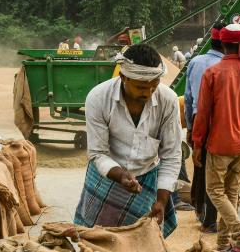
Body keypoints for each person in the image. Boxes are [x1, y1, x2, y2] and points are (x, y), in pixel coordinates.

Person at [74, 44, 181, 237]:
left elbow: (171, 154)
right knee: (97, 241)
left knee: (142, 244)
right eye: (141, 86)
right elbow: (98, 153)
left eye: (153, 86)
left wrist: (161, 200)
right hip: (106, 175)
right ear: (123, 77)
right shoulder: (98, 98)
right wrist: (121, 175)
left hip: (147, 176)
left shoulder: (168, 100)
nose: (147, 93)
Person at [192, 23, 240, 252]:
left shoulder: (212, 73)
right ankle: (223, 246)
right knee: (230, 195)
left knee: (214, 192)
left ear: (222, 43)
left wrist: (197, 144)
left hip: (219, 144)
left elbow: (203, 114)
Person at [185, 22, 225, 233]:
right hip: (220, 124)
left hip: (198, 119)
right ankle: (213, 215)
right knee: (217, 171)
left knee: (200, 167)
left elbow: (190, 98)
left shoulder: (195, 62)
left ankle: (200, 208)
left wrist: (191, 127)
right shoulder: (227, 66)